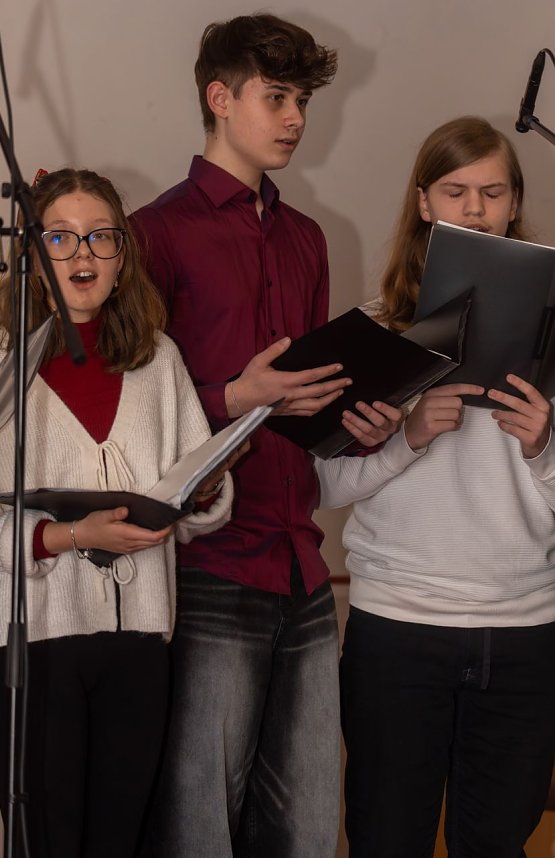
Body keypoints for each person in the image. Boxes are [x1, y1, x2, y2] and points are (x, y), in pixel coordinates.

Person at [131, 13, 401, 858]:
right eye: (276, 97)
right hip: (209, 566)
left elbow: (305, 411)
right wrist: (230, 397)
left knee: (307, 827)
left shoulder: (307, 238)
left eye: (302, 101)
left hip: (302, 563)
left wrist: (362, 421)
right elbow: (131, 415)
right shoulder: (155, 233)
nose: (294, 118)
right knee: (200, 823)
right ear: (219, 98)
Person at [316, 116, 555, 857]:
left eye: (492, 192)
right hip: (398, 628)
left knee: (497, 843)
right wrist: (409, 438)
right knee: (387, 837)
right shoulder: (372, 329)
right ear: (423, 203)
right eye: (455, 191)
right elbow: (320, 483)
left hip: (524, 633)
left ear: (514, 202)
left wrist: (543, 447)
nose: (475, 209)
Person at [0, 168, 234, 858]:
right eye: (59, 238)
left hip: (138, 642)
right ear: (31, 253)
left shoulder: (158, 362)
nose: (83, 255)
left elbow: (193, 493)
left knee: (124, 841)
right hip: (29, 646)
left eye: (100, 237)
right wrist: (65, 535)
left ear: (124, 256)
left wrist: (207, 494)